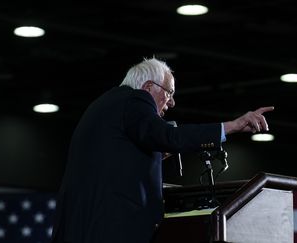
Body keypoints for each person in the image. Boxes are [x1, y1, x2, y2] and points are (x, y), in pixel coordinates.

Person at [50, 57, 274, 243]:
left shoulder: (104, 104)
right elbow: (170, 137)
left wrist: (158, 153)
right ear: (148, 87)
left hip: (80, 226)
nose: (172, 103)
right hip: (114, 228)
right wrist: (232, 126)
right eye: (169, 92)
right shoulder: (135, 99)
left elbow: (115, 159)